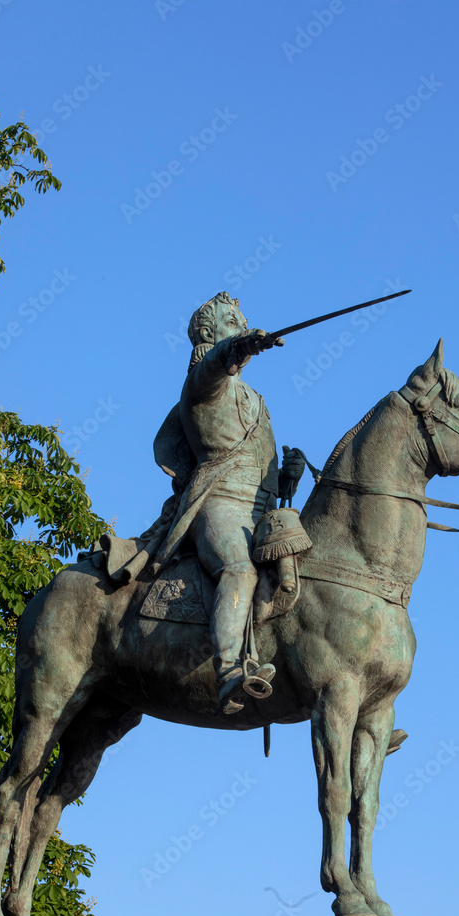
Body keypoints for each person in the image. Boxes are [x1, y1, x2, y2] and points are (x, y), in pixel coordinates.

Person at [153, 291, 304, 714]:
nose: (241, 325)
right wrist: (237, 346)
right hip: (218, 505)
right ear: (208, 332)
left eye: (241, 321)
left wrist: (285, 475)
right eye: (232, 321)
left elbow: (260, 464)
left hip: (262, 511)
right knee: (239, 569)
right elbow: (214, 367)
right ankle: (229, 672)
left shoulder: (256, 400)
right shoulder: (201, 384)